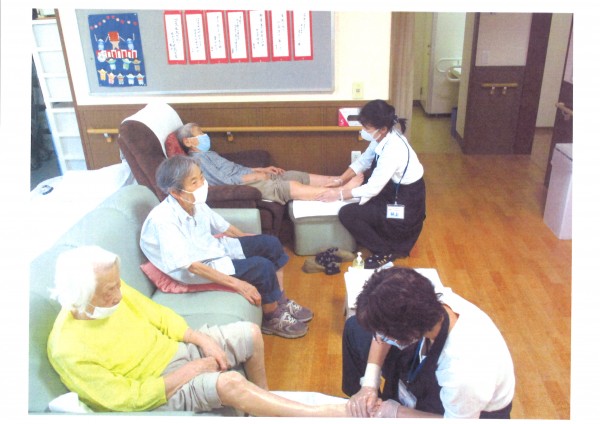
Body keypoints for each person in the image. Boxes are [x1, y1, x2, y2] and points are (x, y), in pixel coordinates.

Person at [47, 245, 348, 416]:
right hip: (159, 387)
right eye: (110, 291)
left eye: (118, 285)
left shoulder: (114, 291)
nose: (119, 294)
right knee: (231, 383)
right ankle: (316, 416)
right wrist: (194, 369)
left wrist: (201, 339)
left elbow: (161, 317)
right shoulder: (68, 348)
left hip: (176, 350)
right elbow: (127, 398)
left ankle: (263, 406)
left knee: (250, 333)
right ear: (81, 295)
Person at [140, 155, 311, 339]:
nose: (202, 184)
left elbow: (225, 228)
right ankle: (271, 317)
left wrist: (253, 244)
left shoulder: (193, 202)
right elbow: (192, 266)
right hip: (198, 268)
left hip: (211, 248)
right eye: (194, 182)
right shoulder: (163, 221)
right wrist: (239, 285)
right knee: (262, 267)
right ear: (176, 192)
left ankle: (279, 300)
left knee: (270, 244)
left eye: (201, 177)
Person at [341, 266, 515, 419]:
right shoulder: (425, 296)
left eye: (386, 336)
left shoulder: (463, 372)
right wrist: (369, 384)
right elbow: (383, 327)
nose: (380, 339)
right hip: (431, 359)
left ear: (408, 333)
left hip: (470, 413)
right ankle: (363, 403)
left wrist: (396, 412)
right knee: (355, 328)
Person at [317, 99, 426, 267]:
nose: (363, 131)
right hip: (392, 191)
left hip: (405, 202)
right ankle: (380, 236)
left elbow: (373, 188)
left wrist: (338, 194)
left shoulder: (393, 149)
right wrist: (340, 180)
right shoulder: (383, 137)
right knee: (360, 201)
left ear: (382, 129)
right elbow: (363, 161)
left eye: (366, 128)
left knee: (348, 213)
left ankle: (384, 251)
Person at [175, 122, 364, 205]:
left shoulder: (209, 153)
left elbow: (234, 168)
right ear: (188, 141)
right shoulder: (197, 160)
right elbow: (224, 180)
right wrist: (255, 176)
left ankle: (339, 180)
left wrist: (260, 169)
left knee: (293, 174)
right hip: (243, 185)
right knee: (288, 185)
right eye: (200, 134)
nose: (205, 136)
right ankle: (342, 192)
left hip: (248, 176)